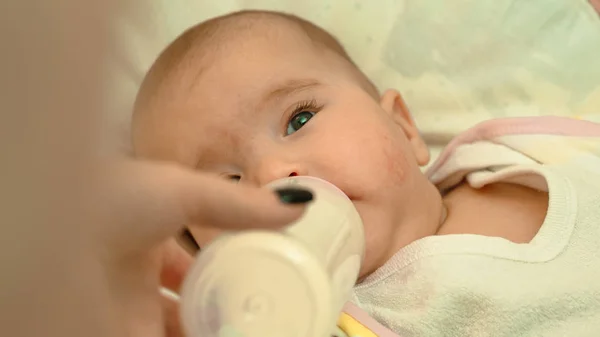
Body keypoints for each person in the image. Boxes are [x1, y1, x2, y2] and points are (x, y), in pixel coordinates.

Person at [131, 9, 600, 336]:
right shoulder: (319, 320)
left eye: (300, 118)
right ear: (200, 255)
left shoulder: (532, 150)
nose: (275, 174)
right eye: (227, 183)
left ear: (402, 124)